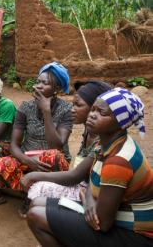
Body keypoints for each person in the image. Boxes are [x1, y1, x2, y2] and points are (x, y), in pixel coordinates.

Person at [24, 88, 153, 247]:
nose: (92, 115)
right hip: (111, 216)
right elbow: (86, 177)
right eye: (93, 109)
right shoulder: (106, 144)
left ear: (121, 123)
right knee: (37, 202)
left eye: (102, 113)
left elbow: (102, 223)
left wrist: (88, 199)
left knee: (36, 216)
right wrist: (90, 197)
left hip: (135, 235)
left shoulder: (118, 160)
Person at [0, 62, 73, 209]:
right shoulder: (25, 107)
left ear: (57, 88)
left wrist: (46, 111)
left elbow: (57, 145)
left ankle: (38, 195)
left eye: (44, 83)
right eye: (37, 81)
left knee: (54, 155)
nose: (38, 86)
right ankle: (28, 194)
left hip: (51, 164)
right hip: (28, 158)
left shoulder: (66, 109)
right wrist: (27, 160)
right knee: (1, 164)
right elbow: (14, 144)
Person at [24, 81, 112, 217]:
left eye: (78, 105)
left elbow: (74, 176)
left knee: (38, 190)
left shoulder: (101, 140)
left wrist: (34, 175)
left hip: (89, 193)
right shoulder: (89, 131)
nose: (72, 109)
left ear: (95, 108)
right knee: (38, 195)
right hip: (84, 187)